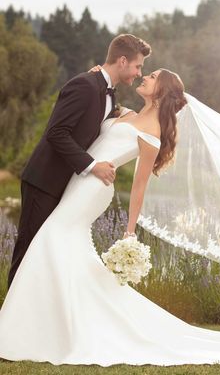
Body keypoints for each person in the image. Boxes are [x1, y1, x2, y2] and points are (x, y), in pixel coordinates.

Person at [0, 68, 220, 366]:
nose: (144, 77)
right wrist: (95, 78)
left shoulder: (152, 133)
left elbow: (139, 186)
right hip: (79, 180)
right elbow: (96, 112)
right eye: (144, 72)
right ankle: (49, 323)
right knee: (62, 247)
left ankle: (32, 329)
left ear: (161, 91)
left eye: (151, 76)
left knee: (50, 238)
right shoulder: (127, 113)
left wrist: (129, 231)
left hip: (93, 189)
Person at [7, 34, 152, 289]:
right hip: (44, 181)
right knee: (27, 253)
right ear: (122, 60)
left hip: (66, 187)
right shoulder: (85, 84)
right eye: (138, 66)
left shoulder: (107, 93)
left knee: (45, 256)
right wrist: (92, 165)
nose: (140, 73)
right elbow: (56, 133)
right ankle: (8, 322)